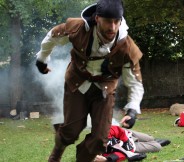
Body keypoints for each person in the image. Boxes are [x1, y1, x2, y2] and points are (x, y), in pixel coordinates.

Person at [35, 0, 144, 161]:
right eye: (108, 21)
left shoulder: (127, 46)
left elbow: (135, 81)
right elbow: (52, 36)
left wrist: (132, 110)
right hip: (77, 84)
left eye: (116, 21)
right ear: (97, 18)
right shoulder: (77, 28)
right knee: (71, 130)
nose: (112, 27)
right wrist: (42, 59)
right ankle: (56, 153)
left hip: (105, 90)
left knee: (100, 138)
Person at [93, 125, 171, 162]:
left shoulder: (102, 132)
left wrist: (126, 141)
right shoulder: (103, 155)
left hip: (127, 135)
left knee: (150, 137)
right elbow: (121, 154)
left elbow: (118, 131)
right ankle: (152, 143)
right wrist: (107, 159)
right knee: (157, 146)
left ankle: (149, 141)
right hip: (130, 149)